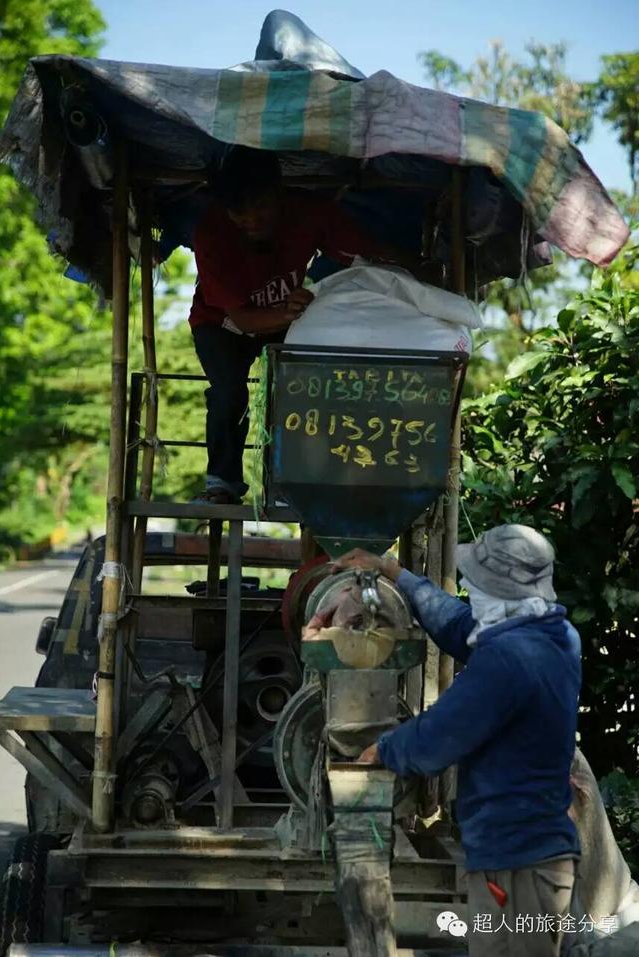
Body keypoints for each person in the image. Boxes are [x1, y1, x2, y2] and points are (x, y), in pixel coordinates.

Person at [333, 524, 582, 957]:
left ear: (497, 589)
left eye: (476, 584)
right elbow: (459, 624)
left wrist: (382, 751)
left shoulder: (507, 660)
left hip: (514, 865)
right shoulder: (552, 635)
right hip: (537, 851)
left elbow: (439, 737)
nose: (471, 590)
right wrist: (394, 573)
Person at [189, 146, 408, 504]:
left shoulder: (311, 213)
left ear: (279, 194)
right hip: (221, 324)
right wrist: (291, 312)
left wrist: (417, 268)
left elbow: (365, 254)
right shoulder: (210, 231)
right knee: (229, 393)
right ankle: (222, 484)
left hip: (285, 316)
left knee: (298, 393)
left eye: (259, 209)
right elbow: (243, 318)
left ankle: (285, 483)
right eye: (239, 215)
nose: (251, 222)